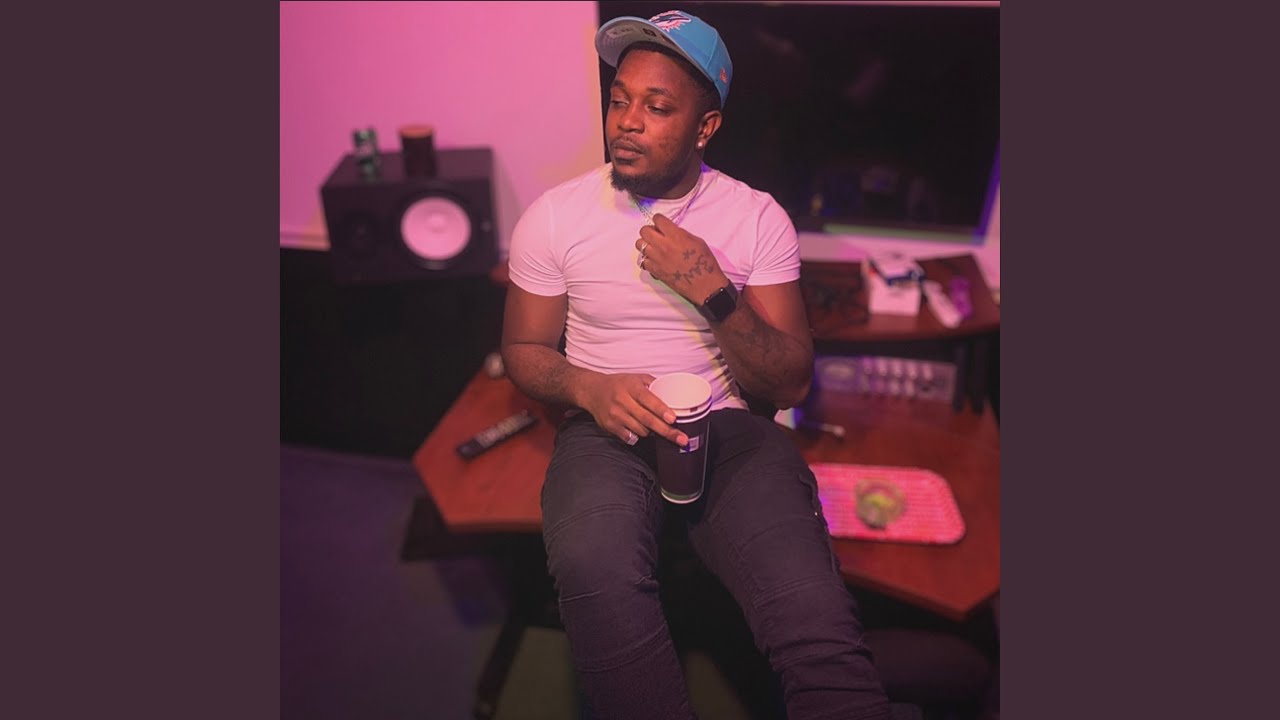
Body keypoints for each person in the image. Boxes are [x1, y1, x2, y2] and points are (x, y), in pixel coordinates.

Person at [501, 10, 891, 720]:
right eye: (620, 100)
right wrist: (588, 386)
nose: (627, 122)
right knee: (593, 566)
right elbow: (523, 352)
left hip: (729, 430)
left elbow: (789, 381)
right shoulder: (556, 216)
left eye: (657, 107)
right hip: (606, 425)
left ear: (705, 127)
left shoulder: (756, 218)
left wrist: (713, 291)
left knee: (814, 618)